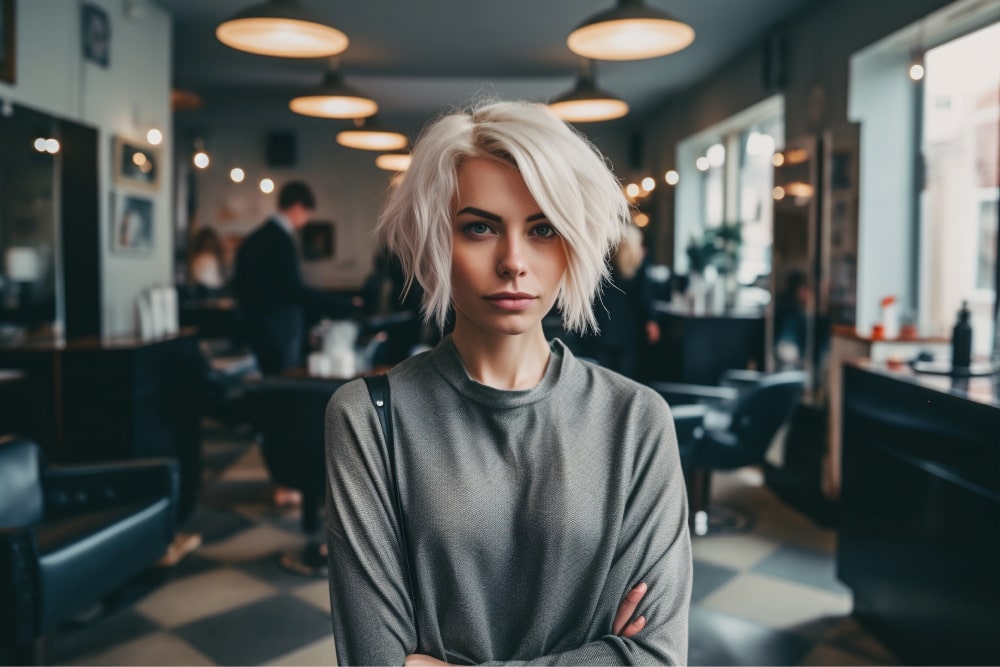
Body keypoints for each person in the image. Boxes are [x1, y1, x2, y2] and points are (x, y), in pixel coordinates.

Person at [325, 100, 691, 665]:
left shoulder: (636, 419)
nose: (514, 261)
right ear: (438, 244)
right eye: (479, 228)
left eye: (543, 228)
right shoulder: (368, 418)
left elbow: (655, 657)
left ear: (573, 242)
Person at [233, 180, 360, 375]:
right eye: (307, 214)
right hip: (279, 330)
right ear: (298, 208)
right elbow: (293, 289)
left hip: (256, 326)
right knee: (283, 384)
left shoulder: (255, 238)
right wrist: (342, 304)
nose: (306, 221)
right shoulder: (281, 240)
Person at [587, 224, 661, 378]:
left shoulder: (602, 264)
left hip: (601, 328)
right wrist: (651, 320)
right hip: (627, 330)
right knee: (624, 377)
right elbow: (643, 297)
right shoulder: (637, 267)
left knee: (601, 376)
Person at [187, 226, 226, 295]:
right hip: (209, 293)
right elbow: (213, 282)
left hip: (196, 293)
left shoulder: (195, 259)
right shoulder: (209, 259)